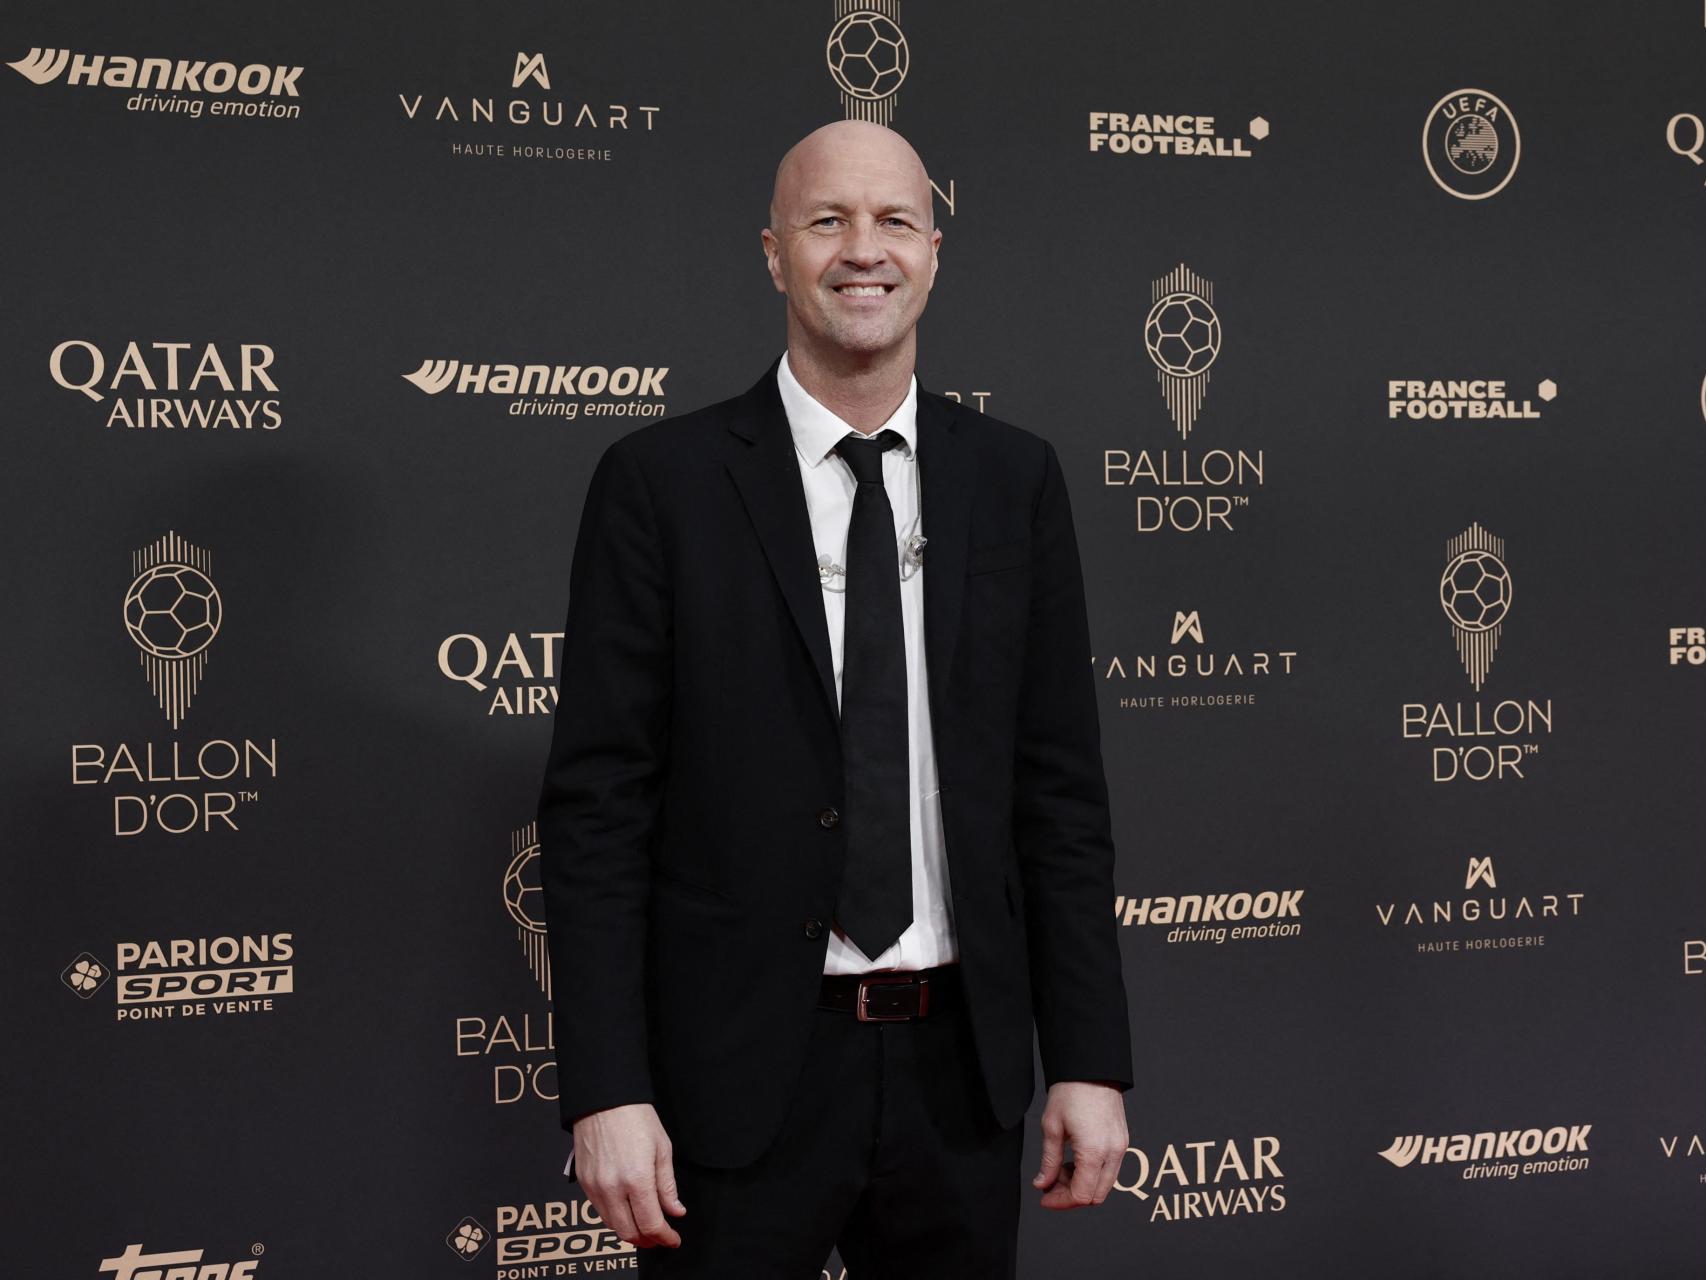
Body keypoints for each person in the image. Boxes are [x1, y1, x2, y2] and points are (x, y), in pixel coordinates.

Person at [535, 119, 1133, 1277]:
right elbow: (597, 808)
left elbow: (1058, 792)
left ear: (932, 252)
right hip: (733, 1076)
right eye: (827, 221)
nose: (864, 249)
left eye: (893, 220)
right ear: (774, 254)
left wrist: (1087, 1055)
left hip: (961, 1074)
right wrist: (606, 1085)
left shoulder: (1014, 479)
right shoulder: (659, 484)